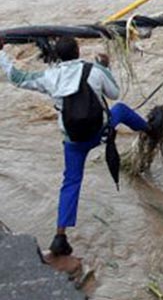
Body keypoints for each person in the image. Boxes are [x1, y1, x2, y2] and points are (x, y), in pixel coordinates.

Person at [0, 36, 149, 257]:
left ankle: (60, 237)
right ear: (78, 51)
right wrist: (104, 67)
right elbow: (114, 93)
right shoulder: (94, 71)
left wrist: (1, 53)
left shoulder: (50, 76)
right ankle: (150, 129)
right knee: (121, 109)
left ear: (57, 56)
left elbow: (17, 77)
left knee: (71, 182)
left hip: (74, 142)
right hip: (100, 132)